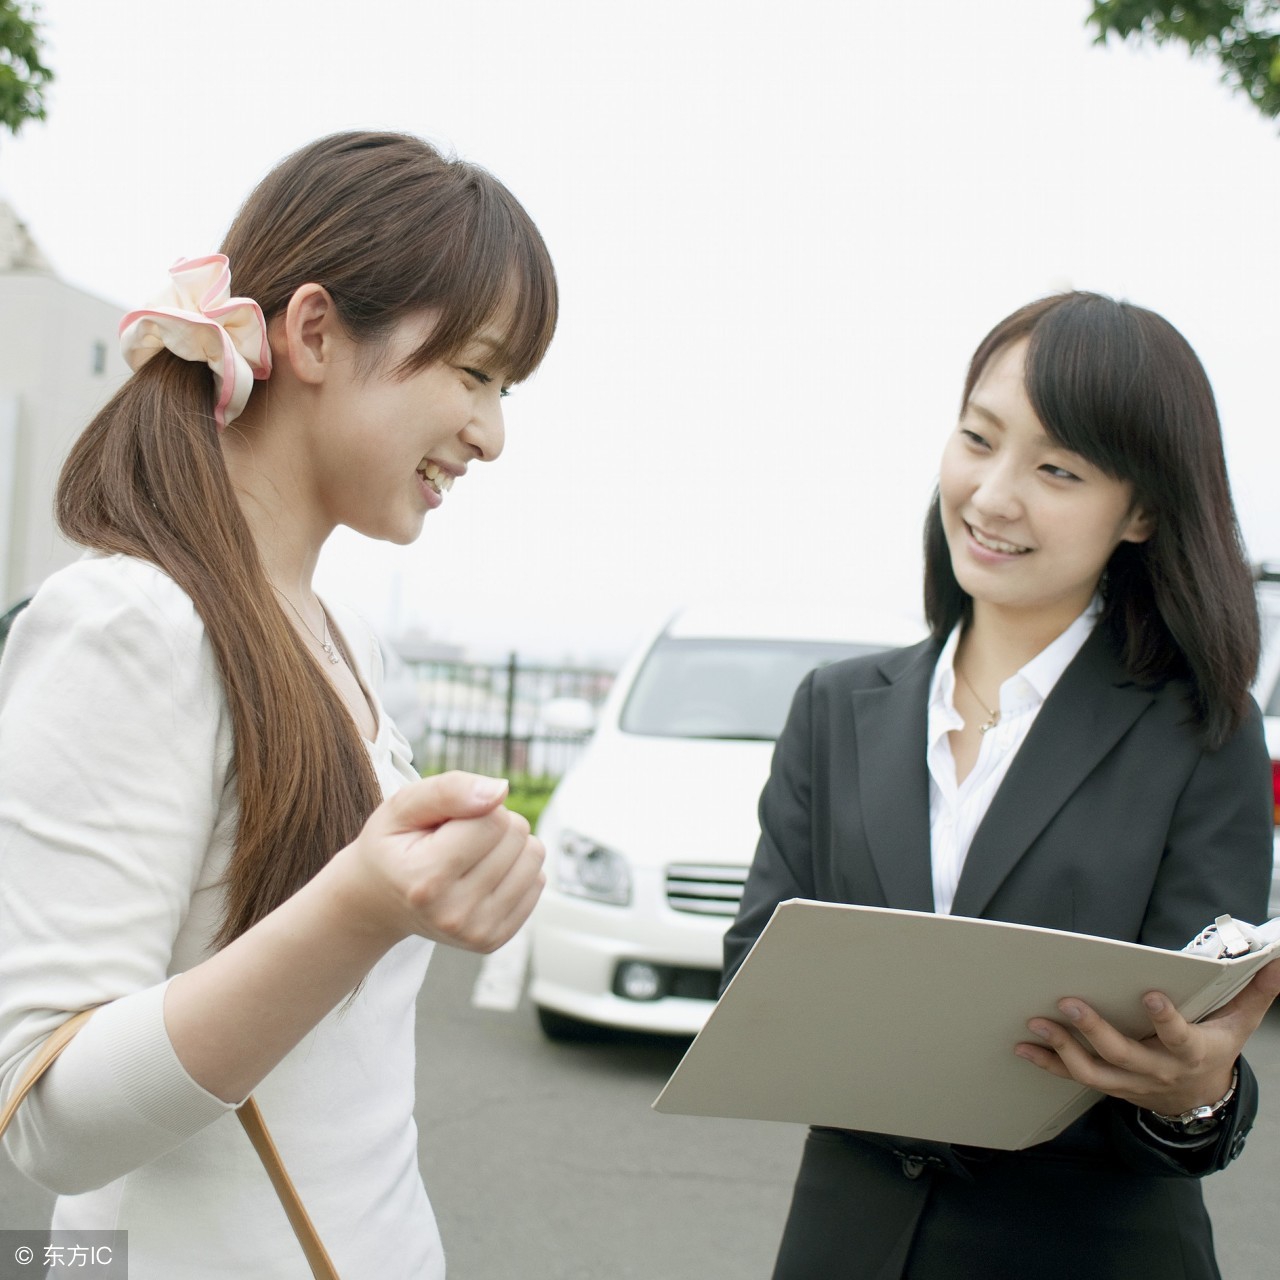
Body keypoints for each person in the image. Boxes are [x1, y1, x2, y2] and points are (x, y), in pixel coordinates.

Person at [0, 130, 556, 1278]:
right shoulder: (130, 624)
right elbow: (43, 1110)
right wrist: (359, 902)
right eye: (475, 372)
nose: (492, 433)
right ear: (311, 332)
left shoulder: (340, 636)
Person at [723, 291, 1280, 1280]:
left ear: (1142, 509)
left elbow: (1191, 1057)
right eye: (976, 439)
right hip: (844, 1243)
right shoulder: (833, 706)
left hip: (1086, 1250)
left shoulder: (1203, 732)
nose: (990, 494)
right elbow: (752, 978)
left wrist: (1194, 1090)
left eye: (1055, 468)